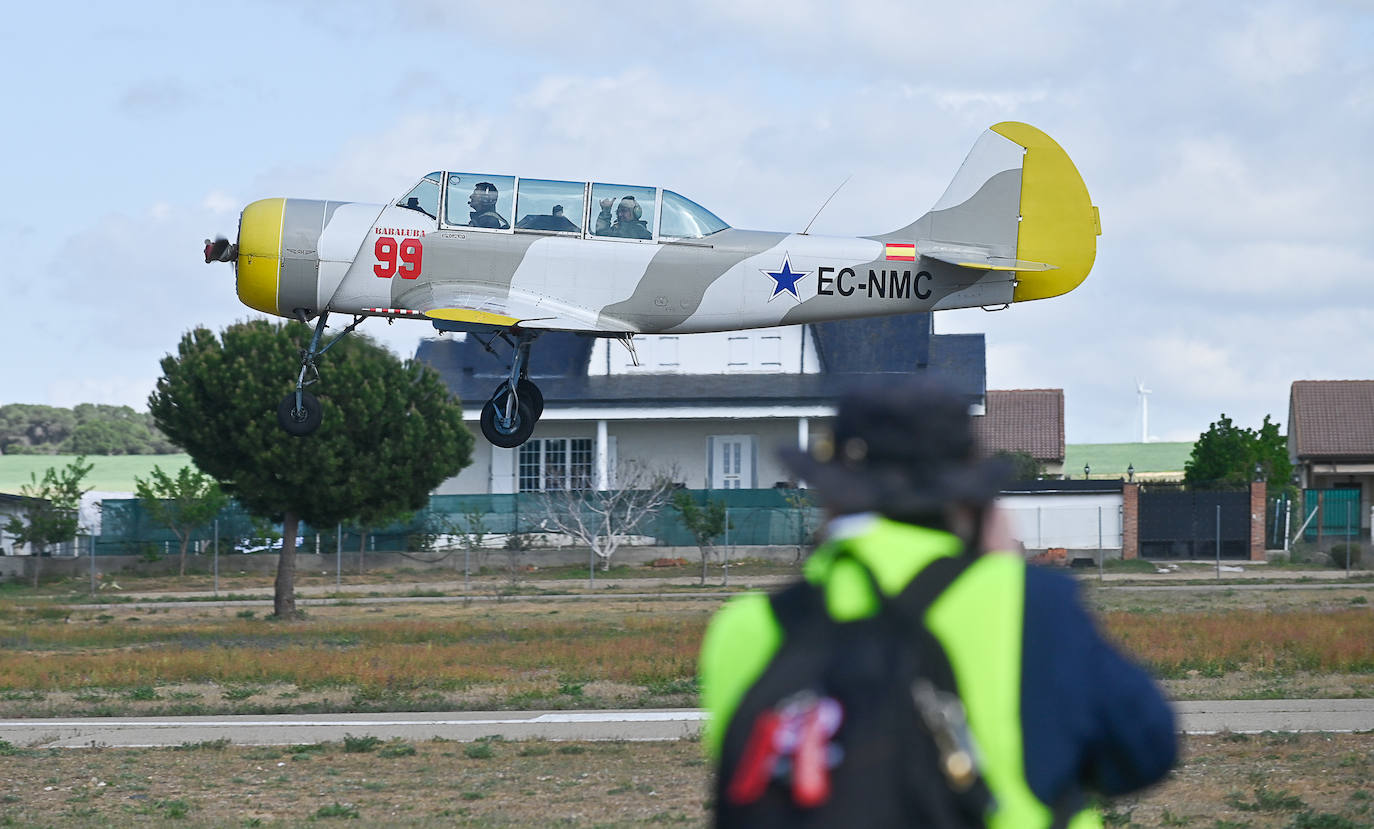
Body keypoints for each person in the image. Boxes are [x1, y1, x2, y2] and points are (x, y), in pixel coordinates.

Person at [700, 379, 1177, 827]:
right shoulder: (1032, 605)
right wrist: (1002, 561)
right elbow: (1145, 752)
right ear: (970, 499)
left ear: (833, 495)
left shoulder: (746, 628)